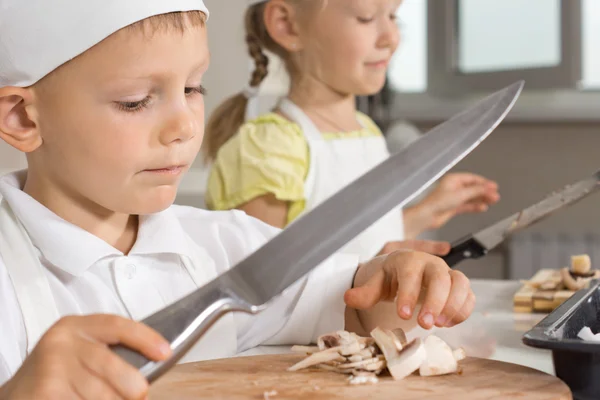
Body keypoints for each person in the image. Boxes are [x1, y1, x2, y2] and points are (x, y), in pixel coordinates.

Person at [0, 1, 474, 399]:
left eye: (191, 89)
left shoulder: (225, 246)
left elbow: (354, 304)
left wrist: (393, 281)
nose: (185, 125)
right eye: (135, 100)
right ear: (24, 118)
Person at [204, 0, 500, 262]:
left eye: (393, 16)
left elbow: (362, 240)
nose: (391, 38)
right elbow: (261, 281)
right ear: (287, 25)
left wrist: (429, 209)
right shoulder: (267, 148)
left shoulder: (365, 130)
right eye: (366, 17)